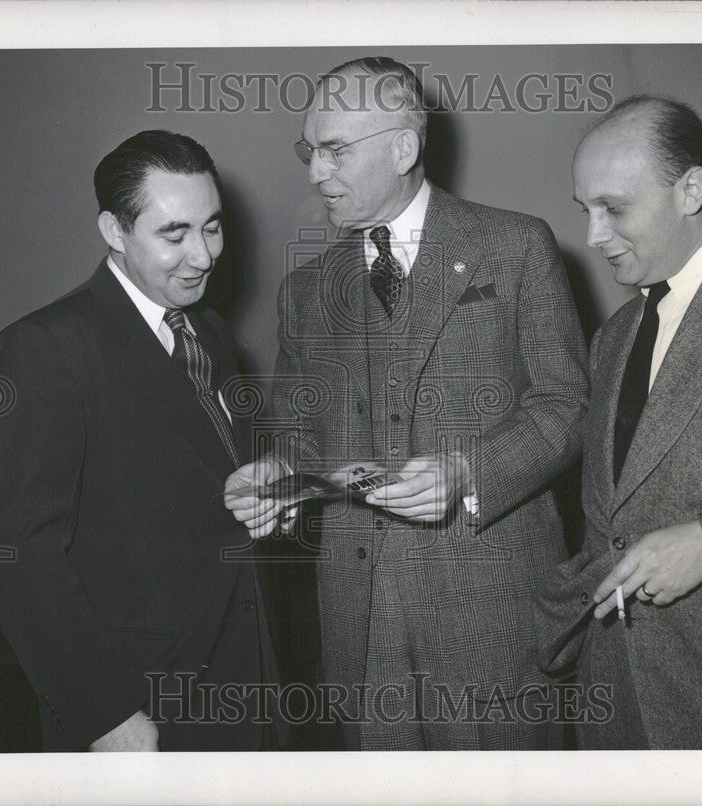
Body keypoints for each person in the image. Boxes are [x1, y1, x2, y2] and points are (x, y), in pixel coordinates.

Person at [224, 57, 589, 750]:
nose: (314, 172)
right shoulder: (305, 292)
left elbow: (567, 406)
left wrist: (470, 473)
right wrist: (275, 477)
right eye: (311, 151)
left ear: (404, 147)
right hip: (360, 630)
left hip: (492, 622)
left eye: (334, 149)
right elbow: (303, 441)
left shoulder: (515, 246)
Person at [533, 95, 702, 749]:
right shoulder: (614, 336)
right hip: (613, 707)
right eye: (586, 211)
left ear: (691, 190)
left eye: (616, 208)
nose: (593, 235)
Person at [0, 130, 276, 752]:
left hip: (241, 682)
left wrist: (270, 491)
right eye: (175, 234)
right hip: (135, 708)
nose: (204, 255)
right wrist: (105, 716)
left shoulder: (213, 335)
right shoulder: (44, 347)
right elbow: (21, 554)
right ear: (114, 232)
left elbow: (208, 490)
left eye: (213, 226)